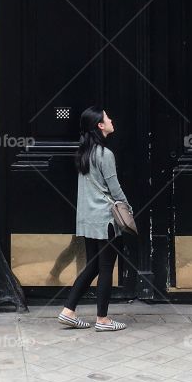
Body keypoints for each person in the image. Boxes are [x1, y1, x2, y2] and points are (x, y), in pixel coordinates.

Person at [58, 106, 129, 332]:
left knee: (92, 266)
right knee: (106, 268)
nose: (111, 120)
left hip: (88, 219)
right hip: (106, 219)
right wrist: (128, 210)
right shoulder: (105, 155)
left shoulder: (84, 153)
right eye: (107, 118)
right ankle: (103, 319)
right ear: (100, 125)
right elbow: (114, 188)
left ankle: (68, 311)